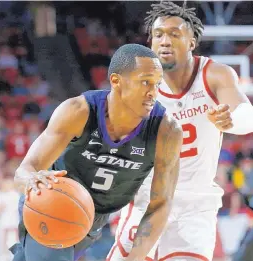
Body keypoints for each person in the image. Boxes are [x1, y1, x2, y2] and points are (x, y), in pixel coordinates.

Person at [107, 2, 253, 261]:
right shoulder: (136, 86)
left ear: (191, 42)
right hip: (147, 201)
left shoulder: (215, 74)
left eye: (174, 34)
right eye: (158, 35)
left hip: (195, 208)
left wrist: (231, 120)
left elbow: (249, 116)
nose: (165, 40)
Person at [10, 43, 183, 261]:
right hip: (51, 200)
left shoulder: (166, 131)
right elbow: (24, 170)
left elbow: (161, 204)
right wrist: (31, 180)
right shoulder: (78, 111)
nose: (153, 93)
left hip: (94, 217)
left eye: (157, 84)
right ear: (116, 81)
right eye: (145, 82)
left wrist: (136, 257)